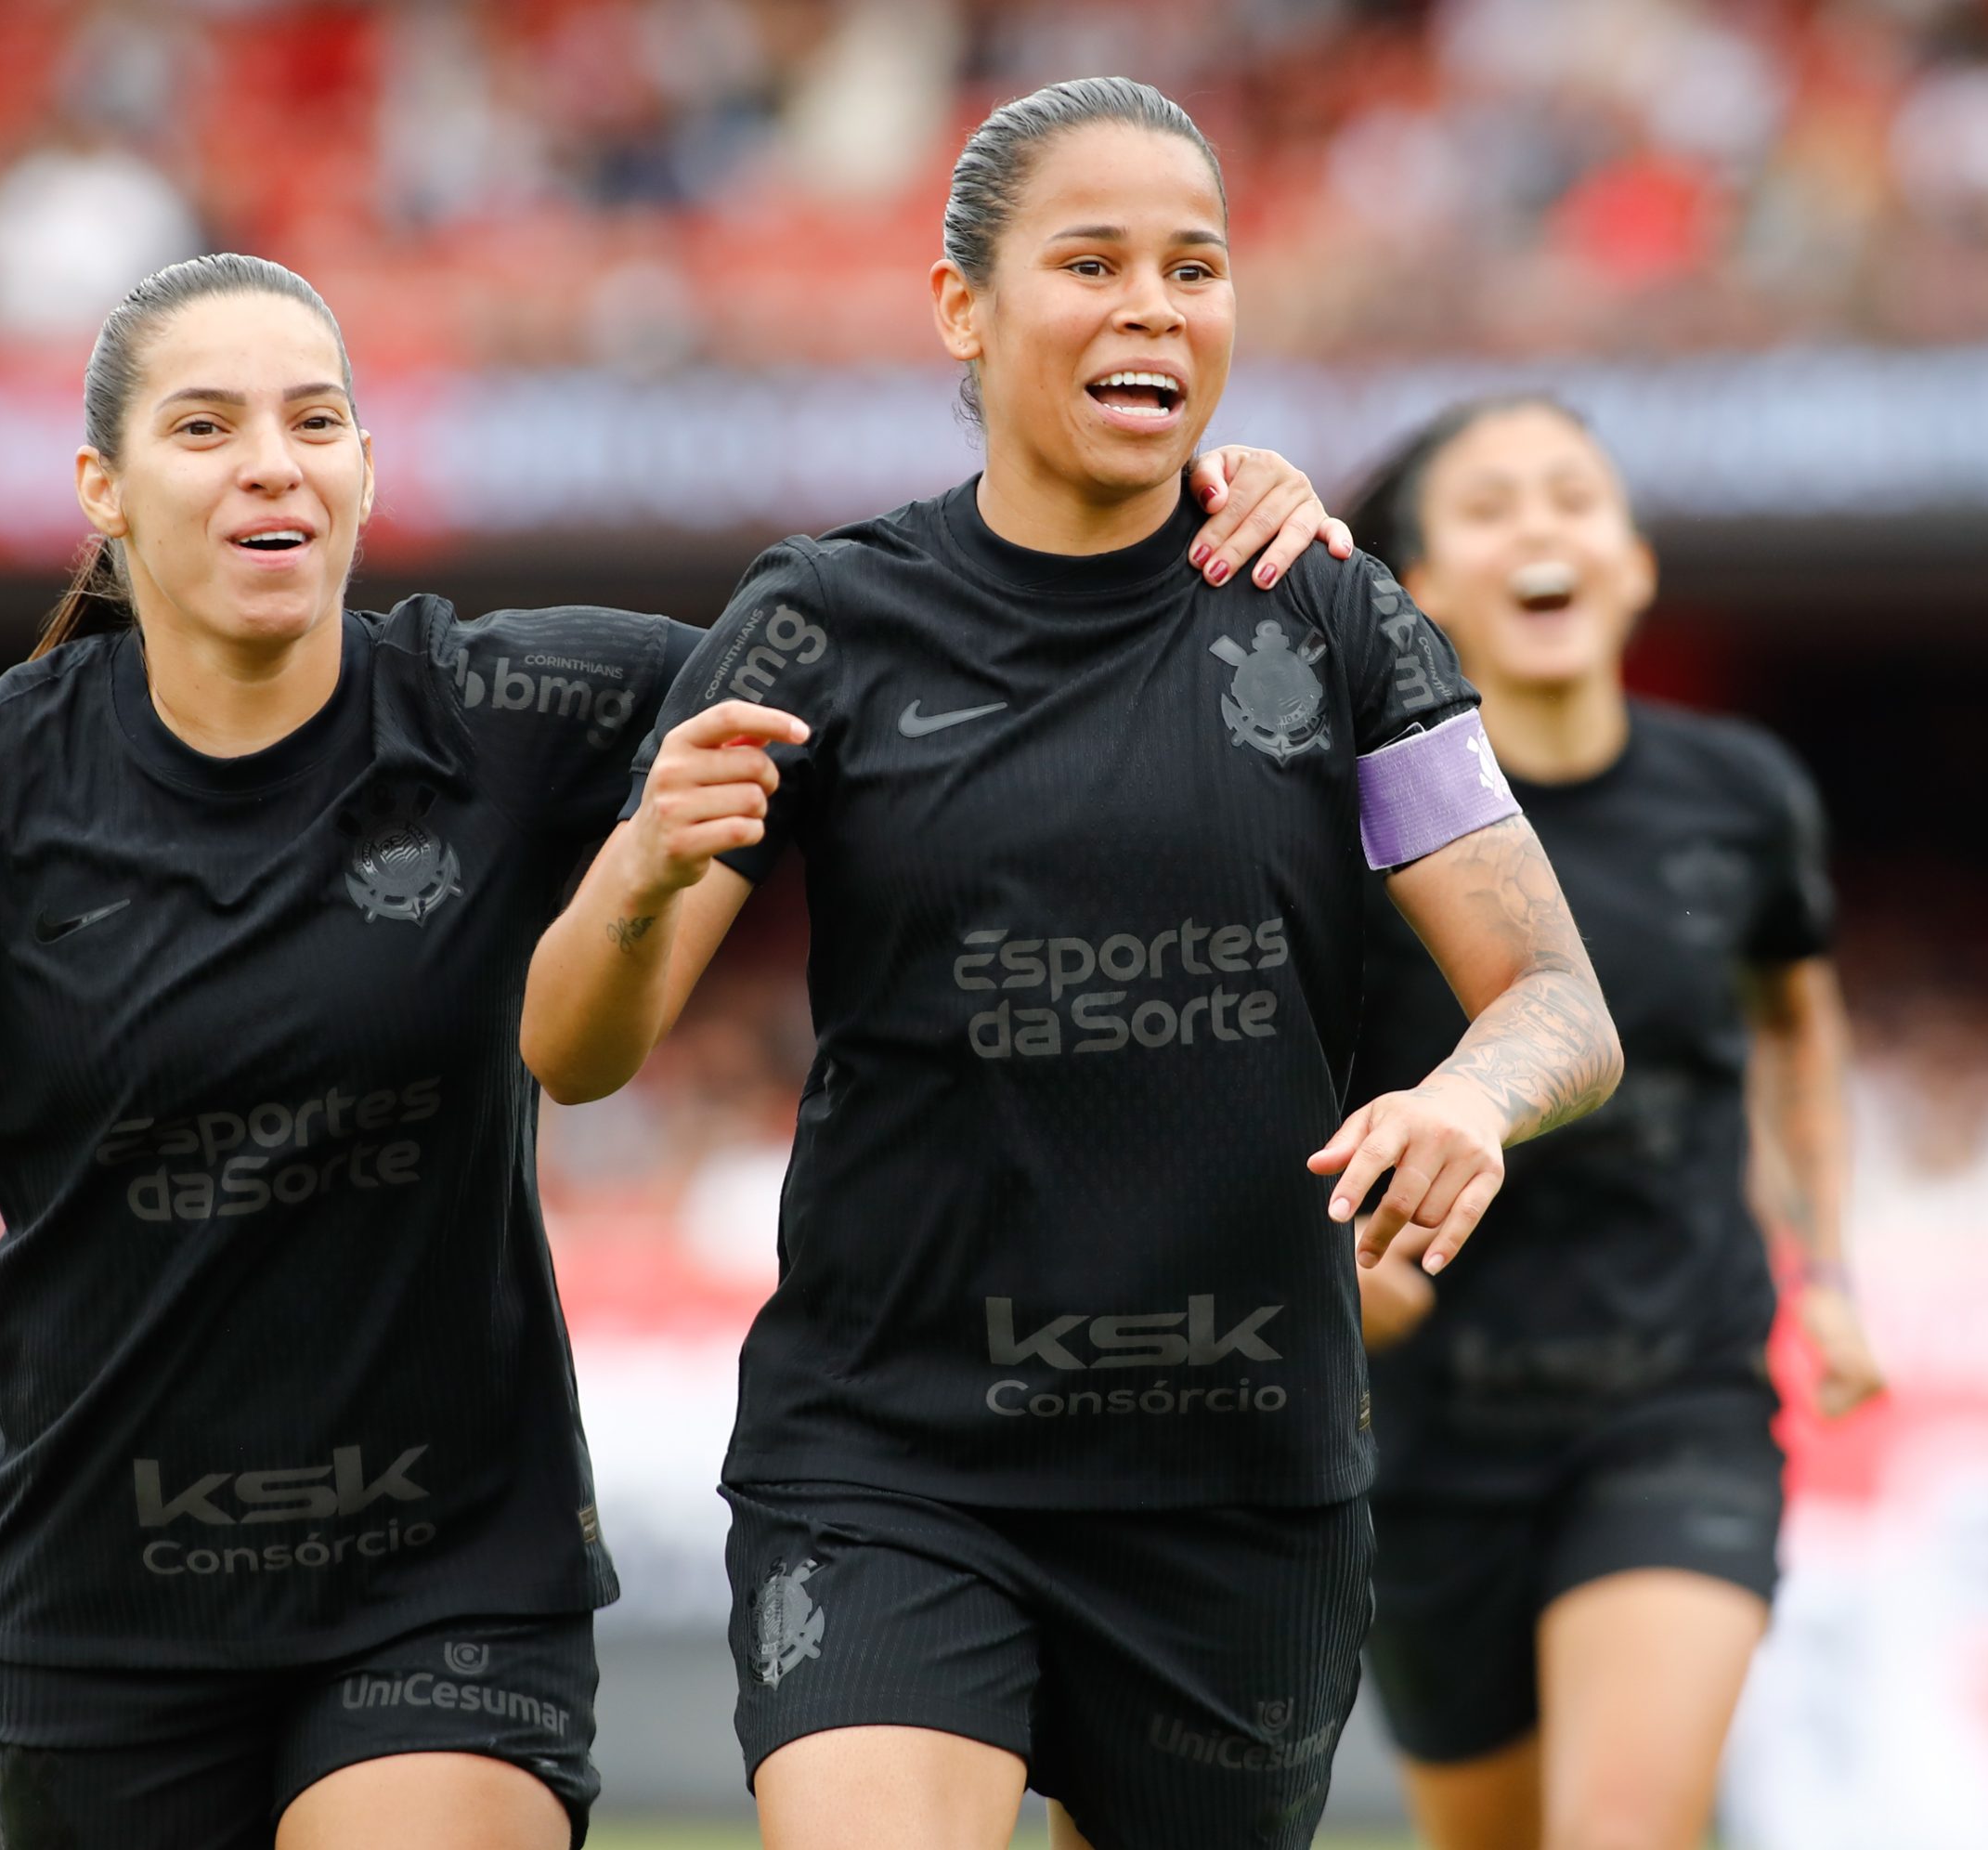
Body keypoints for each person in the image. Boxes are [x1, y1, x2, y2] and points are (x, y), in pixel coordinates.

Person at [0, 248, 1348, 1850]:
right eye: (205, 429)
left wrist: (1156, 501)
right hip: (99, 1597)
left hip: (451, 1582)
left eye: (316, 420)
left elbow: (914, 657)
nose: (273, 466)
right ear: (102, 488)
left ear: (361, 463)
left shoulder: (510, 707)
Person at [520, 79, 1623, 1850]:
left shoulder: (1335, 616)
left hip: (1239, 1486)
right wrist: (644, 865)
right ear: (962, 307)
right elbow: (578, 1053)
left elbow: (1560, 1002)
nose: (1153, 305)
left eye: (1195, 266)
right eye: (1091, 259)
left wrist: (1473, 1100)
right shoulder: (820, 619)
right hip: (890, 1461)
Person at [1342, 397, 1887, 1850]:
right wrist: (1319, 1260)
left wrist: (1826, 1274)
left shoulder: (1742, 795)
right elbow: (1258, 1086)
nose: (1540, 529)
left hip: (1677, 1402)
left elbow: (1794, 1032)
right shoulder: (1358, 829)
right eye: (1493, 505)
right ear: (1424, 584)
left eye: (1572, 499)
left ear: (1634, 565)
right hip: (1426, 1441)